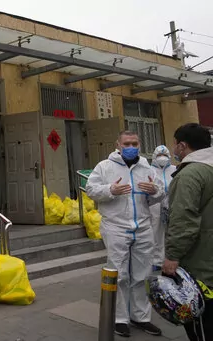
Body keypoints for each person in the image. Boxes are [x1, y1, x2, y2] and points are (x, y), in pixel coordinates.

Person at [86, 131, 164, 338]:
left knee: (143, 274)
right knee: (118, 274)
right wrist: (111, 189)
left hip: (143, 226)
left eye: (134, 143)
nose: (131, 146)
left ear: (140, 145)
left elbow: (160, 193)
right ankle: (119, 319)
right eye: (126, 143)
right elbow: (91, 189)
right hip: (115, 226)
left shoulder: (147, 167)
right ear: (118, 145)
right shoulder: (104, 167)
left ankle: (141, 317)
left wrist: (154, 191)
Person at [162, 123, 213, 341]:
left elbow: (183, 220)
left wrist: (173, 256)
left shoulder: (190, 174)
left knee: (202, 324)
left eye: (175, 144)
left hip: (201, 265)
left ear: (182, 146)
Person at [149, 145, 176, 271]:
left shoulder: (175, 170)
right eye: (159, 155)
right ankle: (156, 260)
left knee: (172, 232)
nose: (162, 158)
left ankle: (171, 258)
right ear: (154, 157)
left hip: (172, 204)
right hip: (154, 206)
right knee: (156, 233)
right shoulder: (149, 171)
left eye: (164, 155)